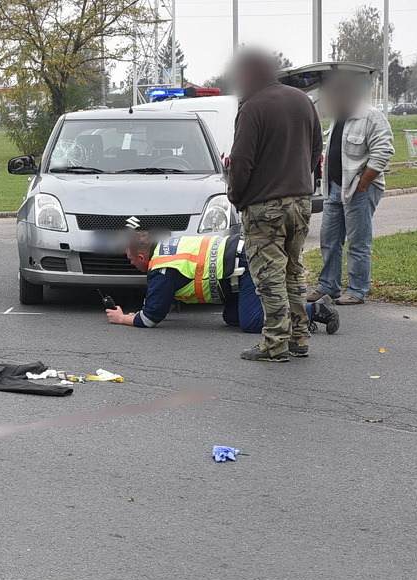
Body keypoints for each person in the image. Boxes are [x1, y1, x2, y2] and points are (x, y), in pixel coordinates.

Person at [226, 50, 323, 362]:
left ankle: (275, 344)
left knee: (270, 277)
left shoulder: (252, 107)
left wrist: (236, 195)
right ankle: (299, 337)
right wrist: (299, 180)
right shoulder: (302, 100)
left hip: (264, 206)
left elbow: (241, 161)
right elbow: (316, 149)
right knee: (293, 270)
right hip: (301, 201)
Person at [104, 231, 340, 334]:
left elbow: (150, 319)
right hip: (239, 262)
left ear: (142, 257)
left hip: (244, 264)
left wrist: (122, 318)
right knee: (232, 317)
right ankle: (291, 314)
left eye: (130, 259)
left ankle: (313, 311)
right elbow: (171, 293)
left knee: (251, 323)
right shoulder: (167, 247)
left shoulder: (161, 269)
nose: (131, 263)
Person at [309, 71, 394, 306]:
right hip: (334, 188)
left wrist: (363, 184)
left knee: (358, 242)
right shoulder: (339, 117)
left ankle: (357, 290)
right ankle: (328, 286)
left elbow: (383, 152)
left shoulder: (371, 117)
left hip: (360, 190)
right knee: (329, 239)